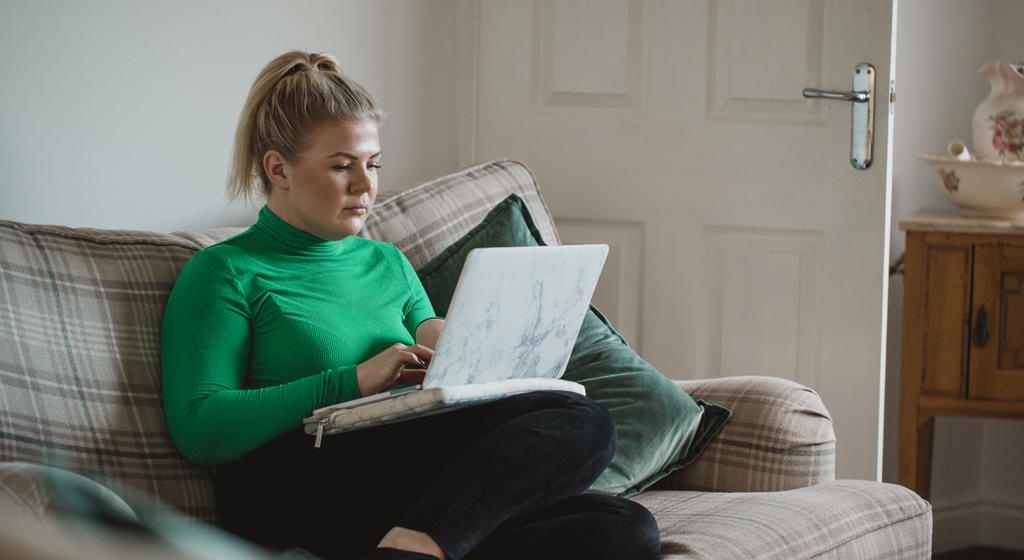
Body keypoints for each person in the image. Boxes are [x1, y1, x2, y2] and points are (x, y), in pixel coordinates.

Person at [160, 50, 661, 560]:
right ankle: (423, 543)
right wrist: (354, 380)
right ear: (278, 168)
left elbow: (426, 332)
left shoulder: (387, 263)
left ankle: (416, 547)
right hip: (291, 478)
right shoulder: (226, 271)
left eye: (373, 165)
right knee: (581, 420)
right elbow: (201, 426)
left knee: (624, 525)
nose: (364, 185)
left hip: (401, 473)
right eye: (341, 166)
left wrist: (465, 348)